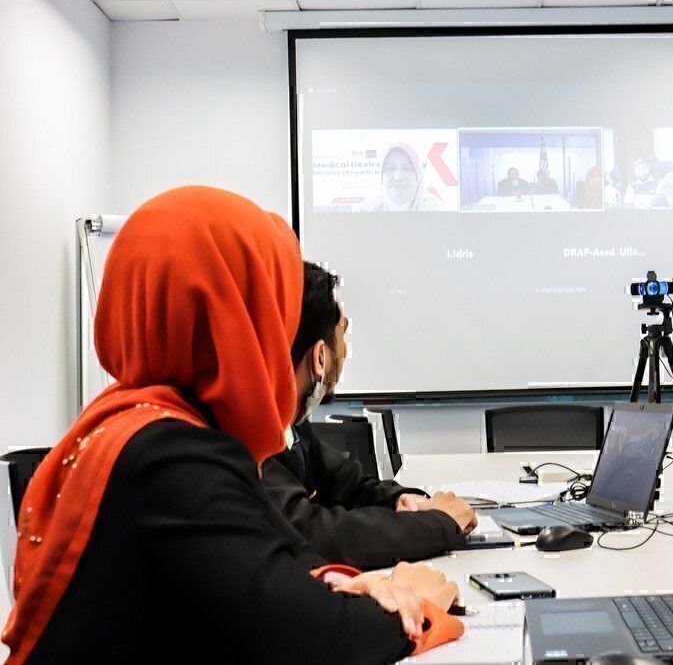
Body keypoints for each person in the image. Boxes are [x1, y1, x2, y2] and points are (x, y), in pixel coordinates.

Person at [1, 186, 462, 664]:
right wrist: (412, 603)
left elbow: (267, 559)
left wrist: (337, 582)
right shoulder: (176, 456)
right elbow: (309, 640)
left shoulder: (130, 421)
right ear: (239, 318)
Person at [261, 262, 477, 569]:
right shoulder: (250, 436)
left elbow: (353, 487)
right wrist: (440, 522)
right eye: (342, 335)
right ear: (320, 357)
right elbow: (314, 534)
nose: (345, 351)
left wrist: (403, 499)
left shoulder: (293, 424)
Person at [360, 143, 448, 212]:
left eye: (407, 168)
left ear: (418, 177)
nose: (398, 177)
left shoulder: (436, 208)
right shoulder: (366, 209)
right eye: (390, 168)